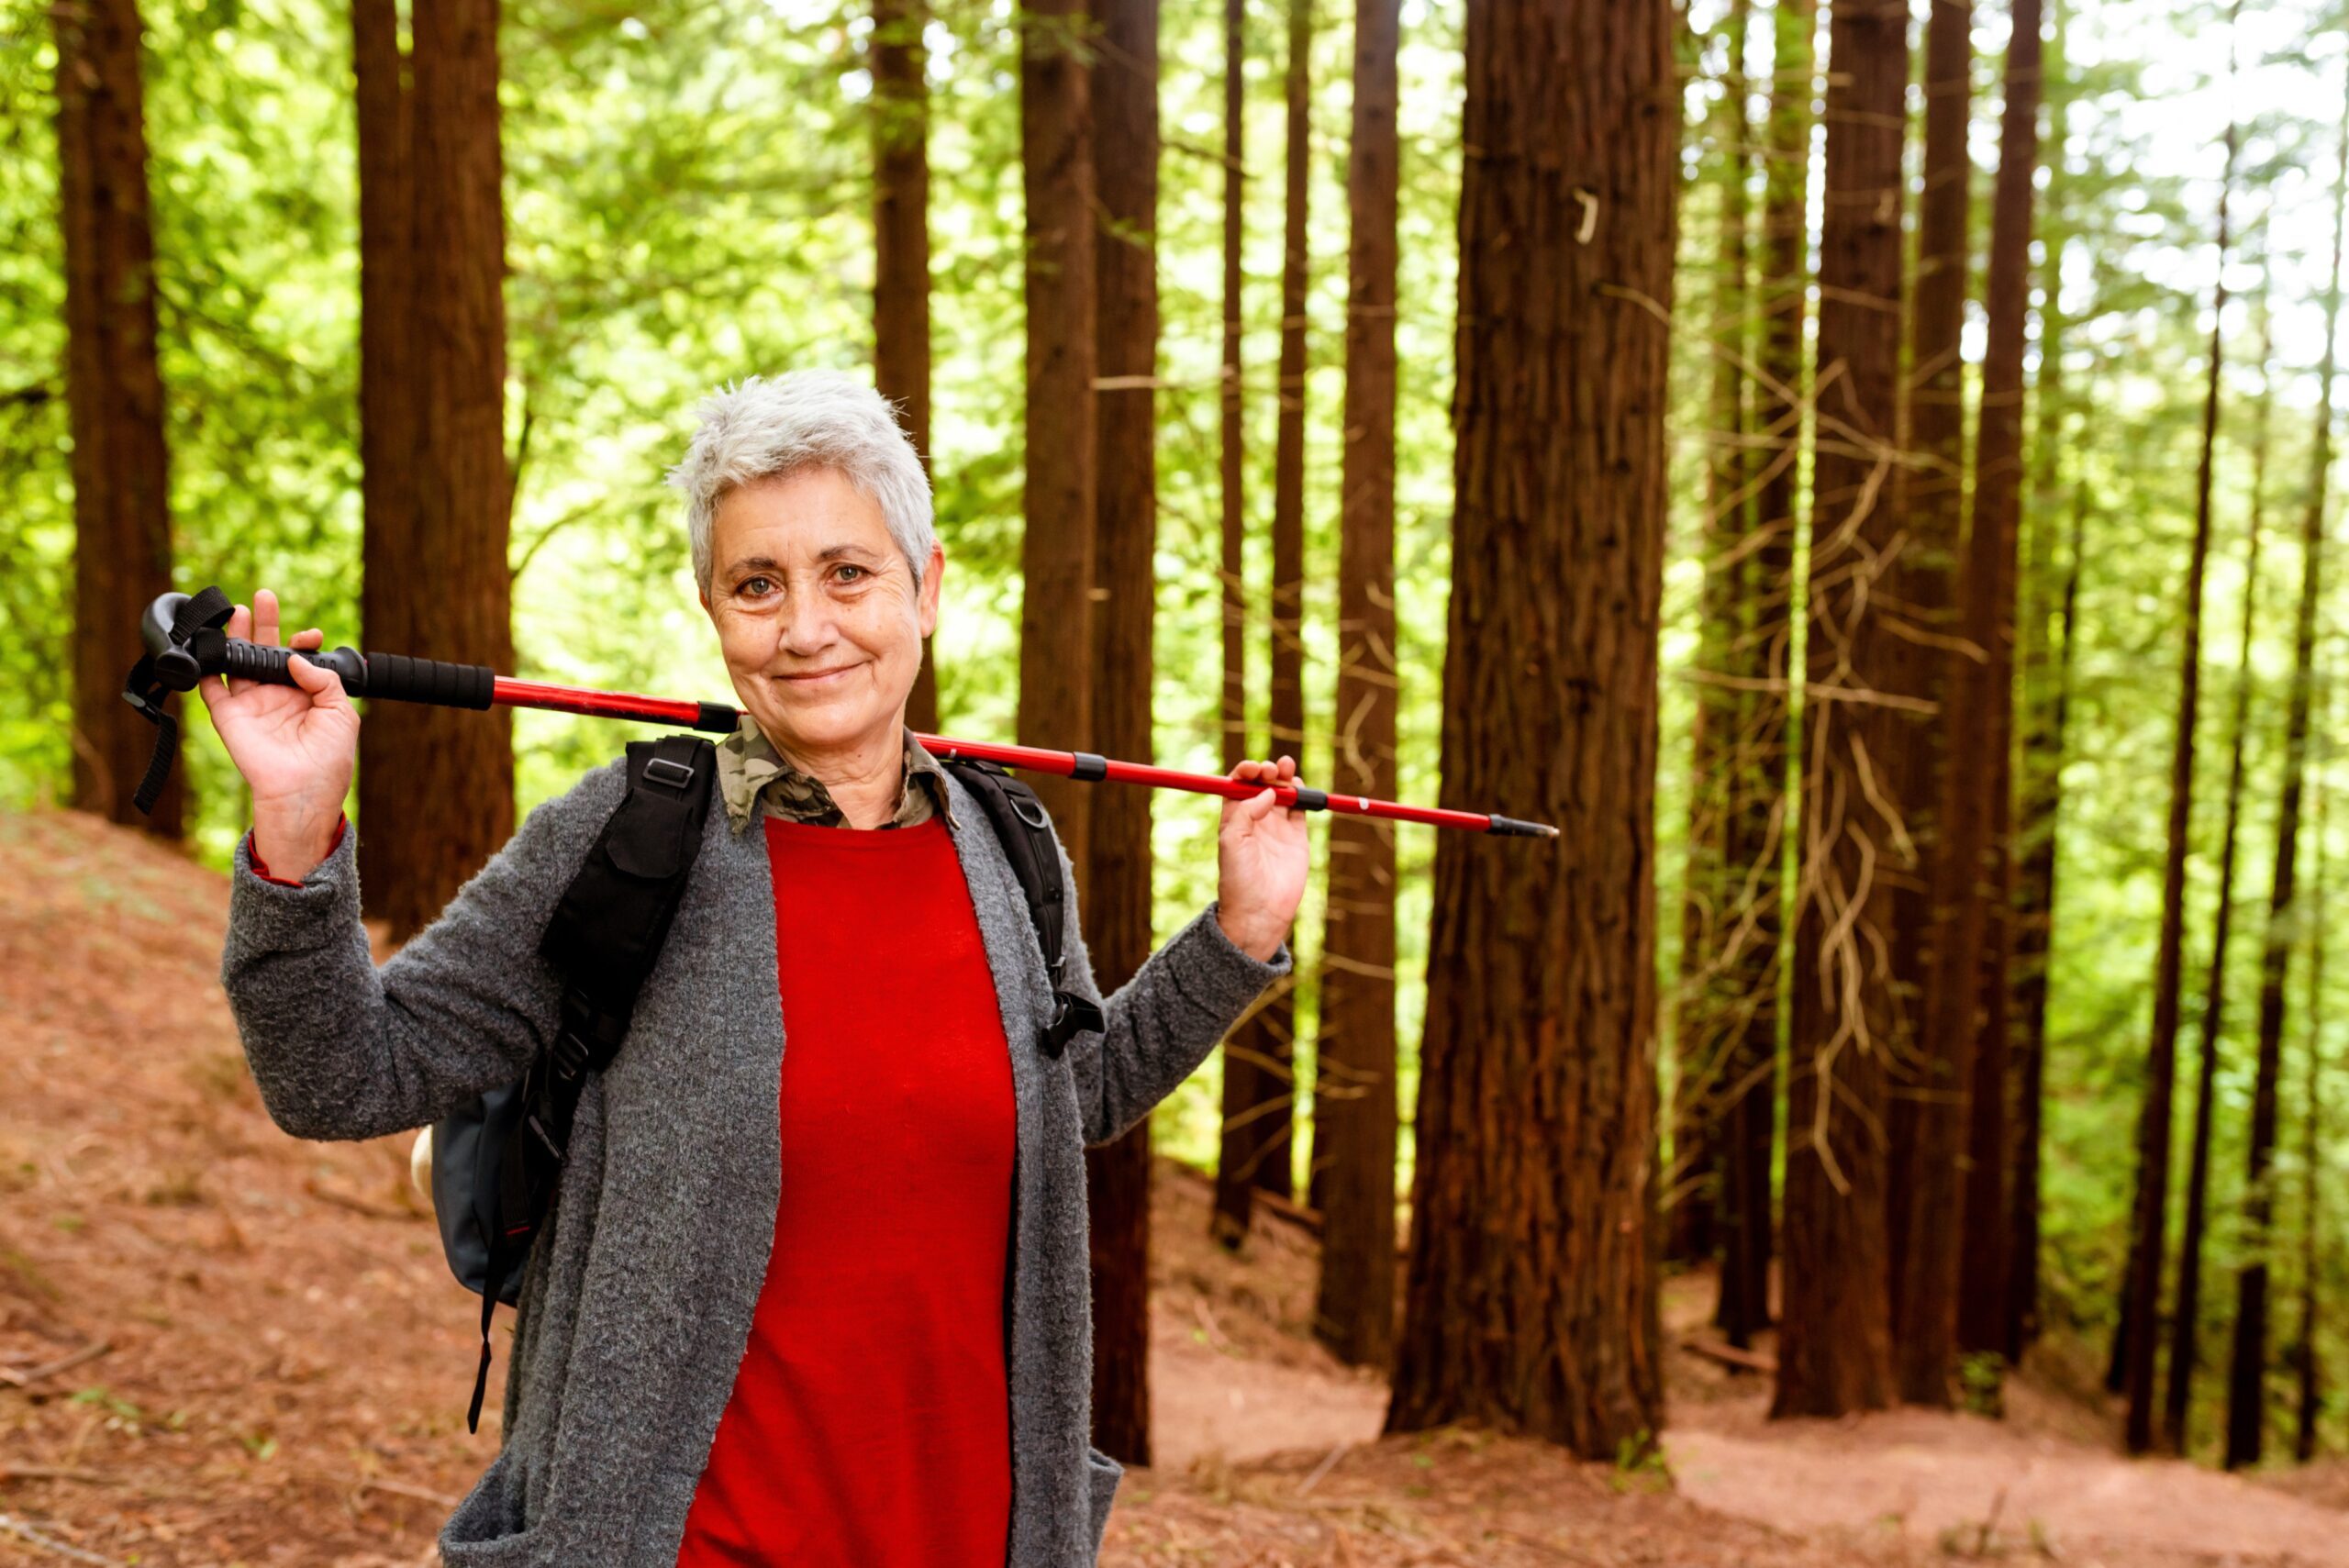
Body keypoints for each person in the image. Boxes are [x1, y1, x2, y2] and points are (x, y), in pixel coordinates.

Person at [205, 371, 1309, 1567]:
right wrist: (299, 833)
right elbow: (338, 1076)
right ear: (713, 609)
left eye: (849, 572)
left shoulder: (1009, 847)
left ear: (925, 586)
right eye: (757, 584)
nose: (804, 627)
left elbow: (1073, 1094)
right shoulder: (629, 843)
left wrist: (1238, 933)